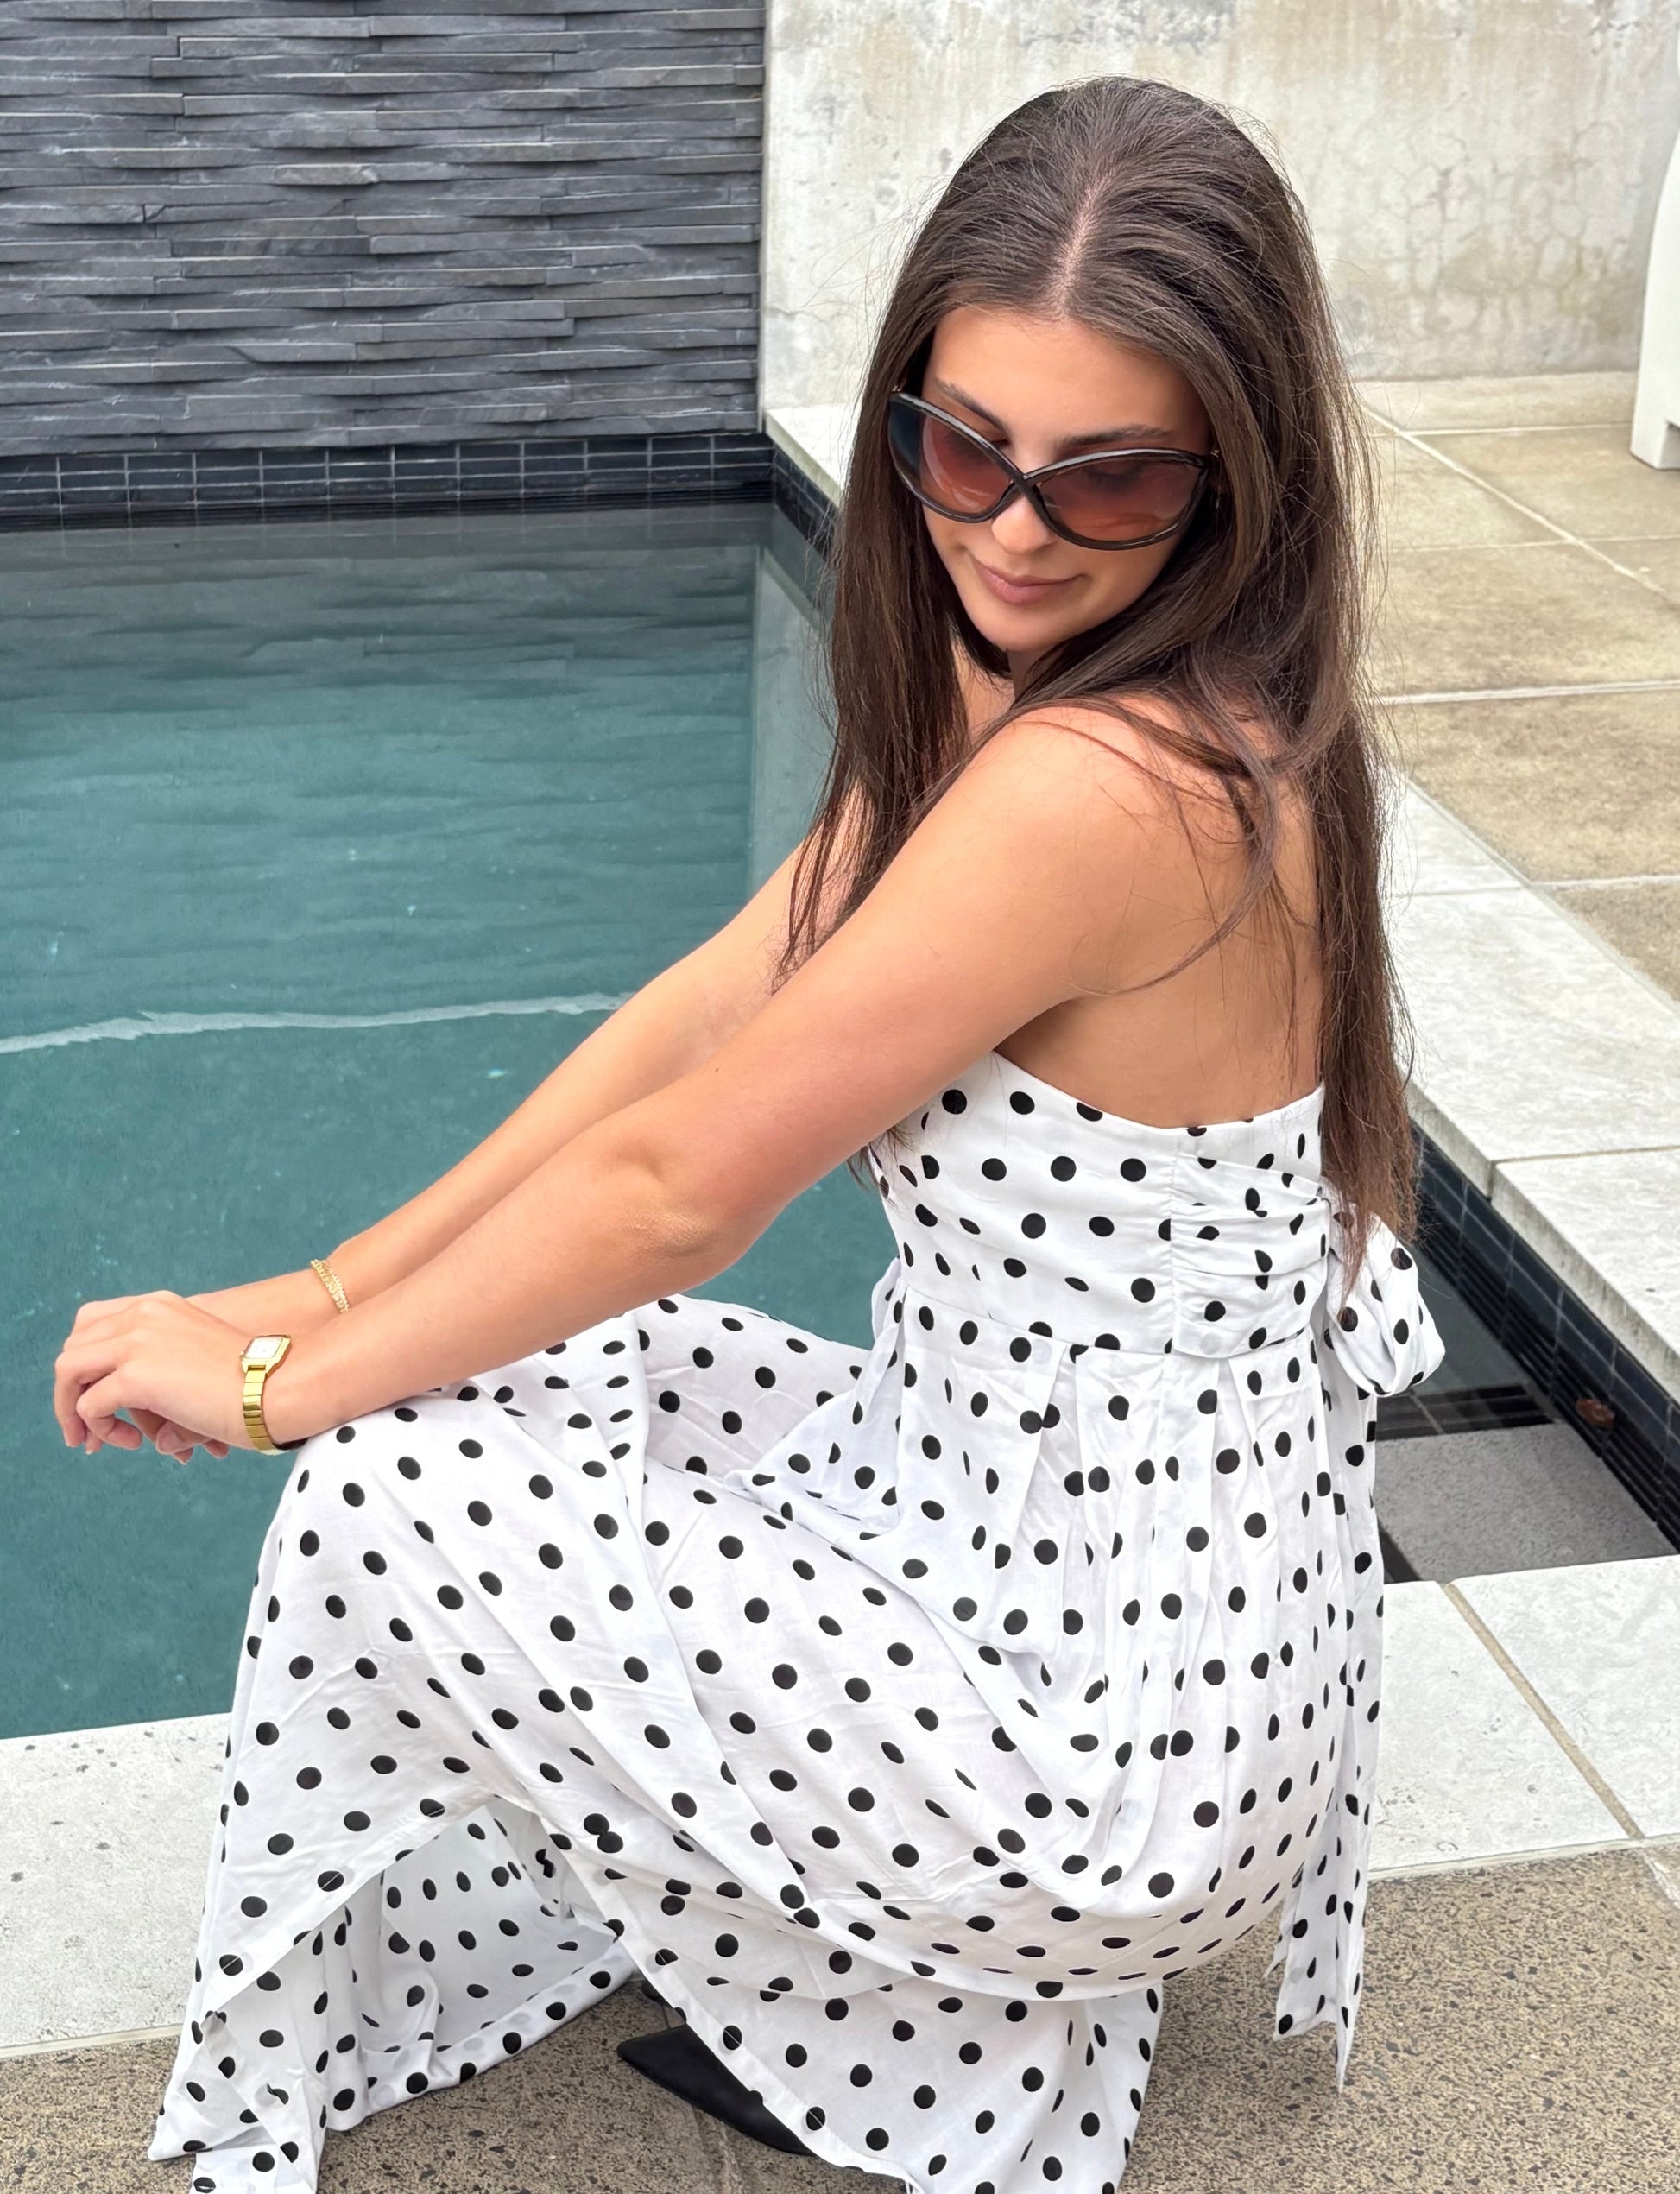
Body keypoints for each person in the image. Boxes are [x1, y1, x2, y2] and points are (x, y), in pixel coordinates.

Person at [54, 74, 1443, 2194]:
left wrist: (272, 1392)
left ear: (1232, 478)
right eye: (961, 444)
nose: (1007, 526)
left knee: (383, 1505)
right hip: (1053, 1551)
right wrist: (309, 1290)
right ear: (900, 408)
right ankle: (907, 1990)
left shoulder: (1113, 787)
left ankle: (934, 1989)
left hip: (1104, 1731)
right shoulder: (1047, 693)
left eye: (1105, 480)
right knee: (541, 1365)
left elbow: (683, 1184)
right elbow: (698, 1016)